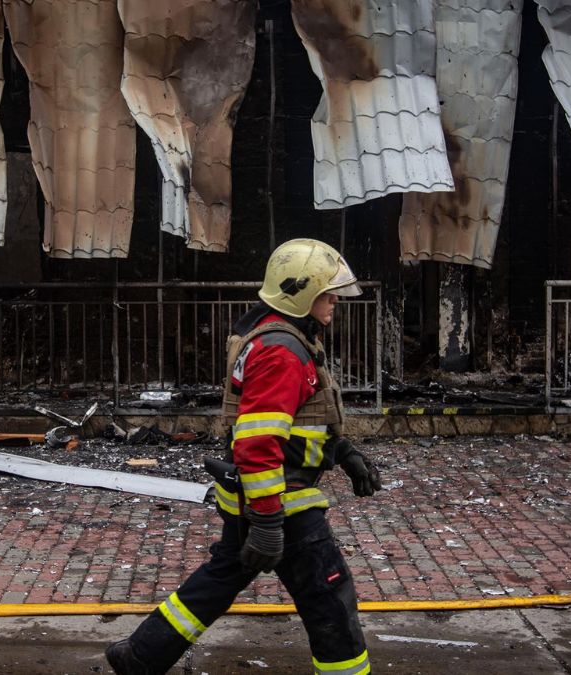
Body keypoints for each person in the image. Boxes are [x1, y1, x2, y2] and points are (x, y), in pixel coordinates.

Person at [106, 238, 382, 675]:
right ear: (302, 293)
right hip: (283, 502)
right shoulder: (281, 352)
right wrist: (270, 524)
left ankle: (141, 655)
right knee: (329, 597)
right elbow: (258, 444)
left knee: (220, 580)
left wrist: (342, 451)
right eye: (327, 292)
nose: (334, 301)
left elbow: (293, 419)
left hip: (258, 496)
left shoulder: (278, 334)